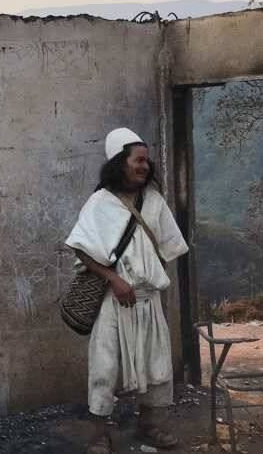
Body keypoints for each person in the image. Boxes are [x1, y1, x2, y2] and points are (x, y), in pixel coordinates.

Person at [64, 128, 189, 454]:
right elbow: (81, 249)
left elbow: (167, 248)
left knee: (157, 367)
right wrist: (116, 279)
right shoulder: (100, 202)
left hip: (148, 302)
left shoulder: (155, 201)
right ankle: (98, 436)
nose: (144, 166)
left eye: (147, 161)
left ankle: (149, 427)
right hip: (113, 301)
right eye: (138, 160)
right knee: (104, 369)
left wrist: (149, 278)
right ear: (120, 162)